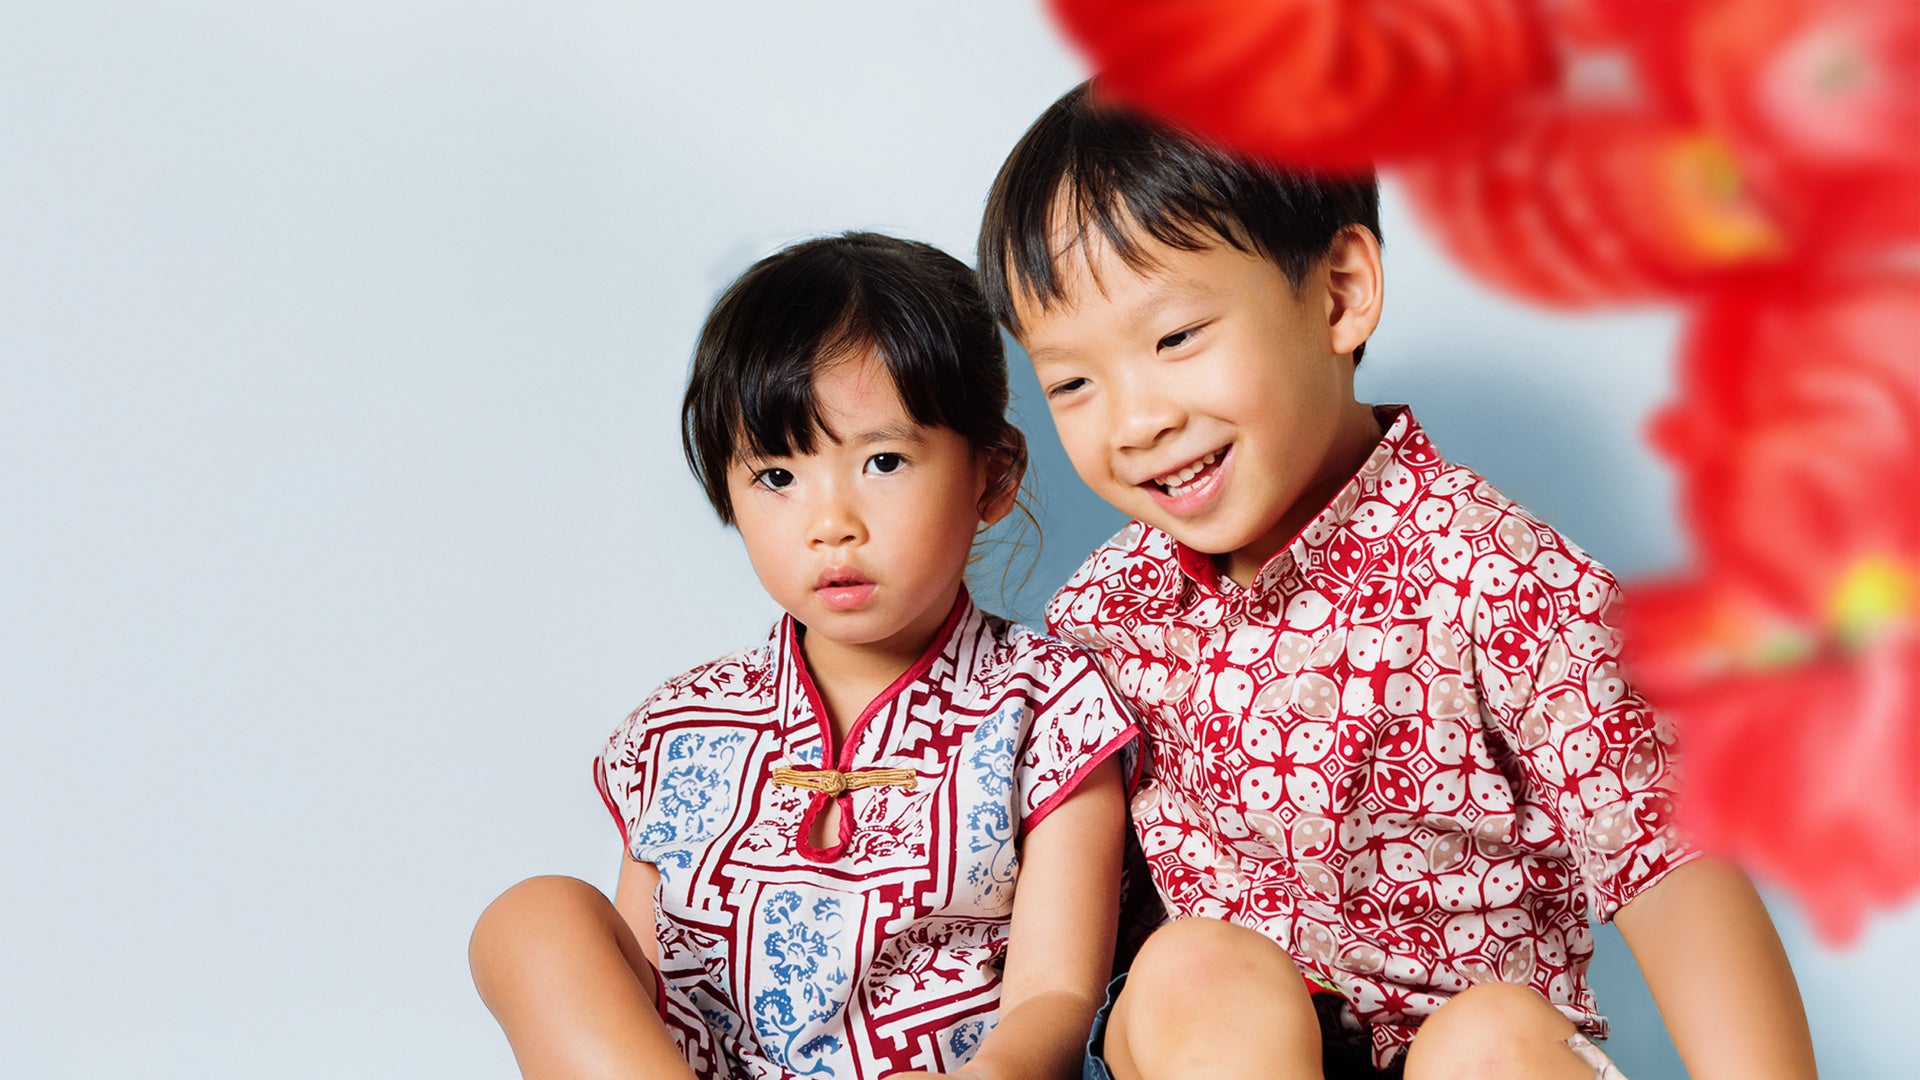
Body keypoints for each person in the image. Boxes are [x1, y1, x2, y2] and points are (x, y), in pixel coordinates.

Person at [975, 83, 1817, 1080]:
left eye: (1175, 339)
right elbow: (1053, 910)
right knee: (1190, 969)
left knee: (1494, 1037)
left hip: (1463, 1050)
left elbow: (1668, 869)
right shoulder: (1104, 616)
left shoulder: (1499, 580)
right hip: (1227, 1049)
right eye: (1073, 382)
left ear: (1340, 294)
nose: (1135, 420)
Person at [468, 232, 1136, 1080]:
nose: (831, 524)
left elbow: (1054, 998)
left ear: (993, 476)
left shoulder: (1051, 707)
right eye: (777, 477)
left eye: (883, 462)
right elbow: (640, 989)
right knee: (532, 918)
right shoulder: (678, 728)